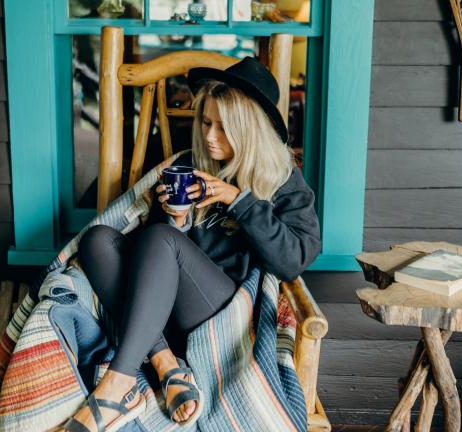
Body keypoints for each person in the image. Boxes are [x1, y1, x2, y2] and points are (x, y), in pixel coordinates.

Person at [61, 56, 321, 432]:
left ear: (251, 131)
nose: (211, 136)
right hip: (164, 312)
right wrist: (175, 217)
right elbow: (151, 257)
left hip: (225, 314)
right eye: (206, 122)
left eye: (224, 128)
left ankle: (116, 385)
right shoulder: (191, 164)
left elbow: (293, 260)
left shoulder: (283, 182)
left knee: (161, 239)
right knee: (99, 240)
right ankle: (168, 367)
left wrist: (239, 200)